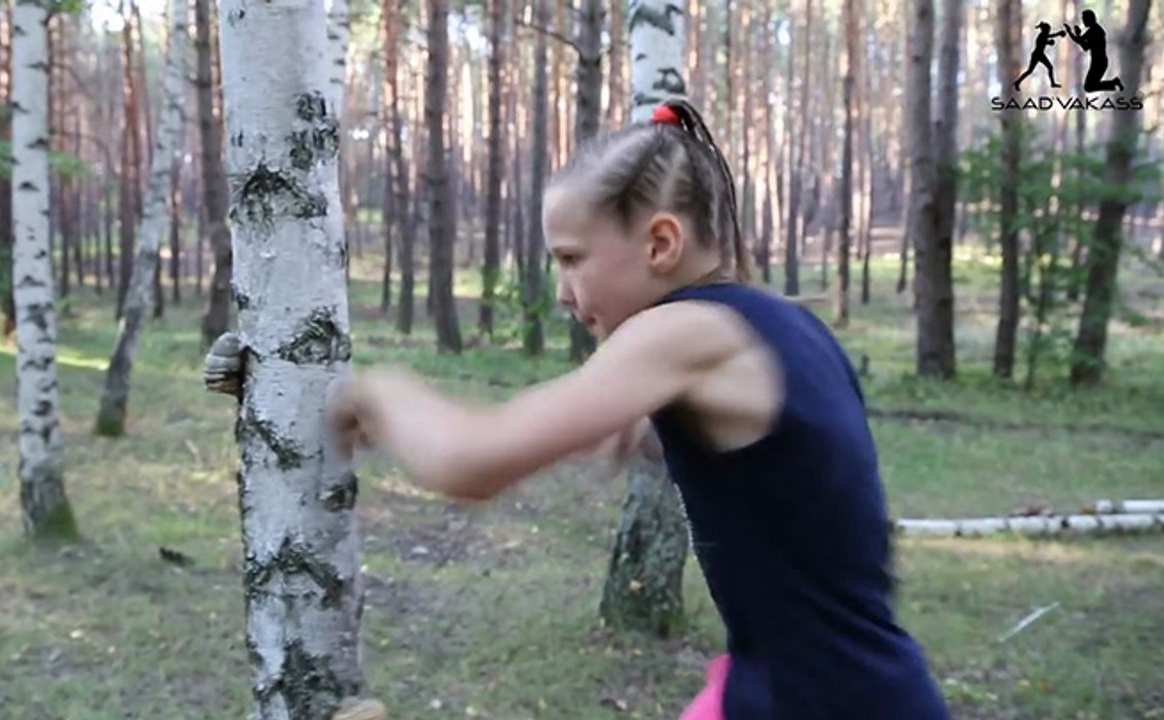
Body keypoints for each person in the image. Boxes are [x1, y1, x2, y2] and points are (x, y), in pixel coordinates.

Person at [213, 99, 950, 719]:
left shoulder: (686, 333)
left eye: (572, 259)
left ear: (660, 242)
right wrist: (279, 385)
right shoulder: (779, 327)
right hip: (830, 687)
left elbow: (470, 462)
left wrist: (369, 391)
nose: (564, 293)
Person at [1065, 9, 1124, 93]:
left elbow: (1085, 46)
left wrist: (1075, 34)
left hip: (1099, 62)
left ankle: (1113, 83)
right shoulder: (1093, 30)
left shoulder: (1096, 31)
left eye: (1084, 19)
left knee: (1089, 87)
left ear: (1090, 19)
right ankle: (1113, 83)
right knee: (1089, 86)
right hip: (1097, 61)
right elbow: (1081, 41)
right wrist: (1073, 33)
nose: (1083, 21)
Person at [1013, 21, 1066, 91]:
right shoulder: (1042, 36)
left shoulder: (1043, 35)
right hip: (1037, 54)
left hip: (1039, 54)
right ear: (1045, 30)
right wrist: (1054, 38)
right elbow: (1046, 39)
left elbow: (1048, 38)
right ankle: (1017, 82)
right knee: (1032, 70)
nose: (1048, 31)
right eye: (1048, 30)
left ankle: (1017, 82)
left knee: (1048, 68)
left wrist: (1054, 37)